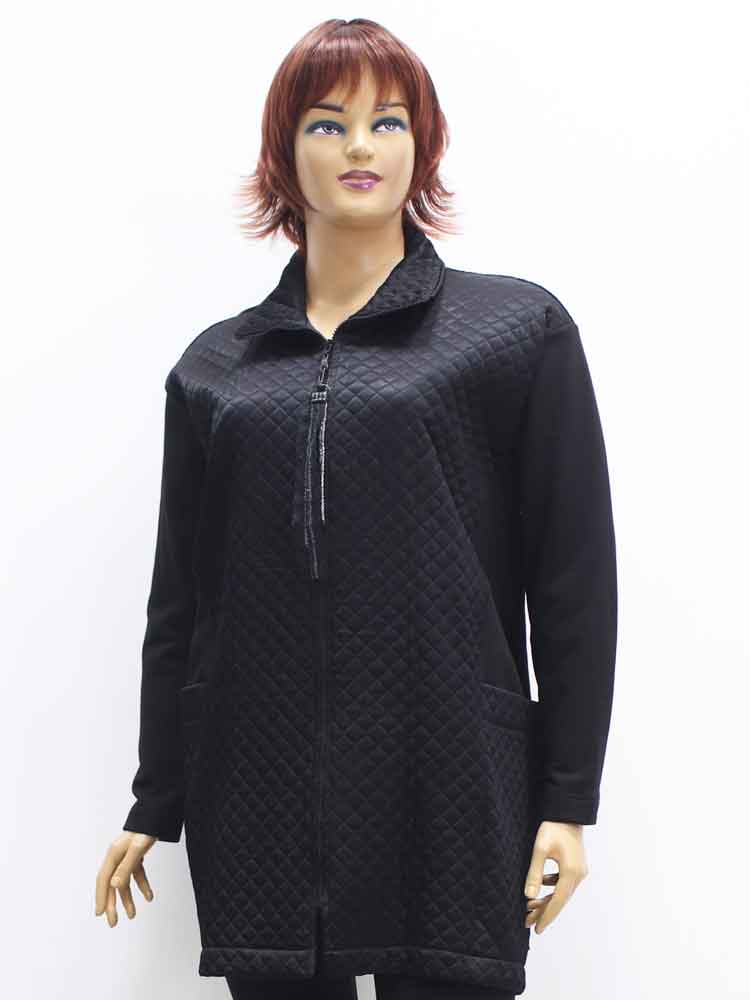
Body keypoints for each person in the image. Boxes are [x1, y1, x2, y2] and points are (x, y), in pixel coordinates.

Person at [95, 17, 618, 1000]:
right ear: (285, 152)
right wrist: (155, 798)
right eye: (328, 124)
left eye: (388, 122)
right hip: (259, 790)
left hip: (448, 777)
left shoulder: (514, 331)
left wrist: (567, 796)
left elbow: (574, 580)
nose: (360, 147)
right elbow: (182, 607)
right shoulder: (216, 367)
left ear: (423, 144)